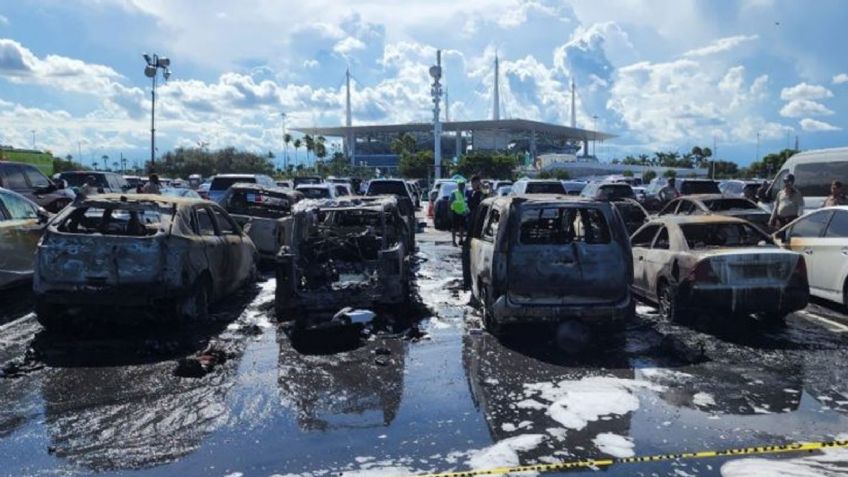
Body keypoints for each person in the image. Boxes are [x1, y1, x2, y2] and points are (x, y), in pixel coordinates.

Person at [450, 179, 470, 247]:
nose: (461, 186)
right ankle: (453, 241)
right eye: (460, 185)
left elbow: (465, 202)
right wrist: (450, 211)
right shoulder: (454, 193)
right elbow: (450, 202)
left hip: (463, 212)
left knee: (462, 227)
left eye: (463, 185)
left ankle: (461, 240)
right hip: (455, 212)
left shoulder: (465, 193)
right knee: (454, 227)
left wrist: (467, 210)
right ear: (458, 185)